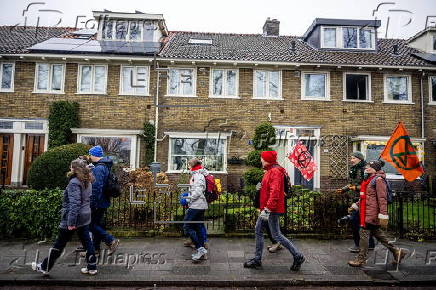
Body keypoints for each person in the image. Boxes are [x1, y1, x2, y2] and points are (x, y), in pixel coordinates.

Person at [32, 159, 98, 276]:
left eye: (71, 167)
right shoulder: (88, 180)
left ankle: (44, 267)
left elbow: (75, 203)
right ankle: (92, 267)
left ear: (75, 169)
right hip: (85, 215)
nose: (70, 168)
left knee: (59, 244)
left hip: (74, 217)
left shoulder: (74, 182)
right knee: (88, 243)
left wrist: (71, 223)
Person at [244, 151, 305, 271]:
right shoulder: (269, 170)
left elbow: (275, 193)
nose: (260, 160)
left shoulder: (275, 171)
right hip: (268, 208)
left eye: (262, 158)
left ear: (267, 159)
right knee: (261, 231)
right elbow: (264, 187)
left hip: (270, 209)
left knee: (275, 234)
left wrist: (267, 209)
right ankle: (257, 259)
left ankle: (297, 256)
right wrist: (258, 187)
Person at [348, 160, 408, 267]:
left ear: (375, 169)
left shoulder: (379, 180)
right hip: (365, 211)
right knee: (379, 236)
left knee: (363, 234)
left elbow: (382, 199)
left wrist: (383, 215)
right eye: (366, 166)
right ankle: (397, 252)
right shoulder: (369, 180)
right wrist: (355, 206)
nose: (366, 168)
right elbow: (365, 197)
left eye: (369, 167)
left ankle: (361, 259)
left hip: (372, 213)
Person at [337, 152, 375, 253]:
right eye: (351, 158)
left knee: (355, 221)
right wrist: (343, 189)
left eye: (353, 158)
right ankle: (370, 244)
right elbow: (351, 183)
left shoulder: (365, 170)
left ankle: (359, 245)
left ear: (359, 159)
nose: (351, 160)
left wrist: (356, 188)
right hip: (355, 199)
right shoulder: (353, 169)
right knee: (361, 222)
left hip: (362, 199)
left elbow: (367, 185)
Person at [88, 145, 119, 256]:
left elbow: (97, 187)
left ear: (93, 155)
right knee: (97, 224)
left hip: (99, 202)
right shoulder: (104, 166)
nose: (89, 157)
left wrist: (93, 203)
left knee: (90, 225)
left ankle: (110, 240)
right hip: (103, 200)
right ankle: (95, 249)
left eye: (90, 154)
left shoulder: (99, 168)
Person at [180, 158, 209, 262]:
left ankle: (200, 249)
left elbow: (199, 190)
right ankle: (202, 251)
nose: (188, 167)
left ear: (192, 165)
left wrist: (188, 199)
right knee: (197, 227)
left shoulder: (198, 176)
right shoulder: (196, 174)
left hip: (197, 206)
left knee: (187, 226)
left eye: (189, 165)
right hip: (198, 205)